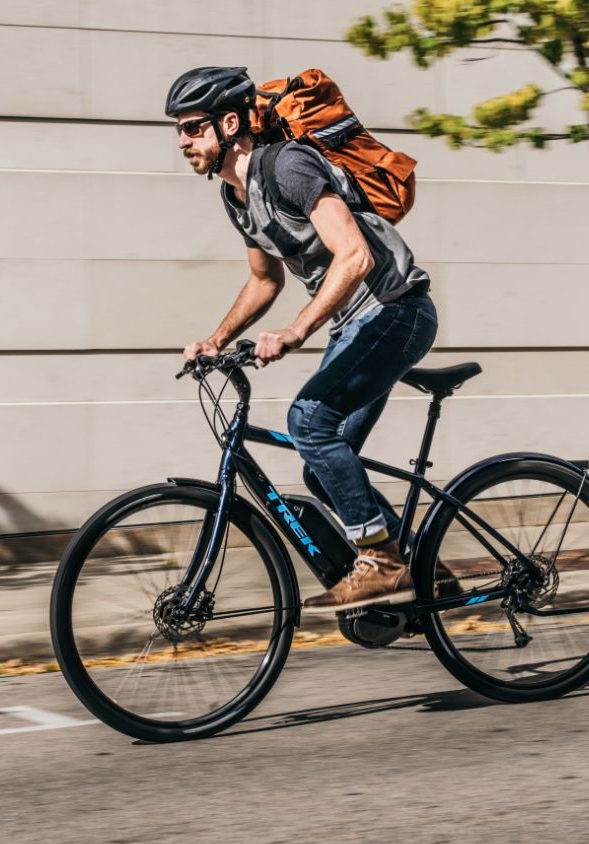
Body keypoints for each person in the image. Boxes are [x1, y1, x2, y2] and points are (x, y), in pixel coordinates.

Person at [168, 66, 438, 612]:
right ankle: (423, 571)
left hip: (396, 310)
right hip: (357, 324)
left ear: (229, 122)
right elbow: (265, 280)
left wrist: (296, 330)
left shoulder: (288, 165)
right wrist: (217, 340)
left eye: (193, 127)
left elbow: (355, 255)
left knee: (308, 422)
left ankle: (382, 564)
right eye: (178, 130)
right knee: (322, 469)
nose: (182, 141)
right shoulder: (236, 195)